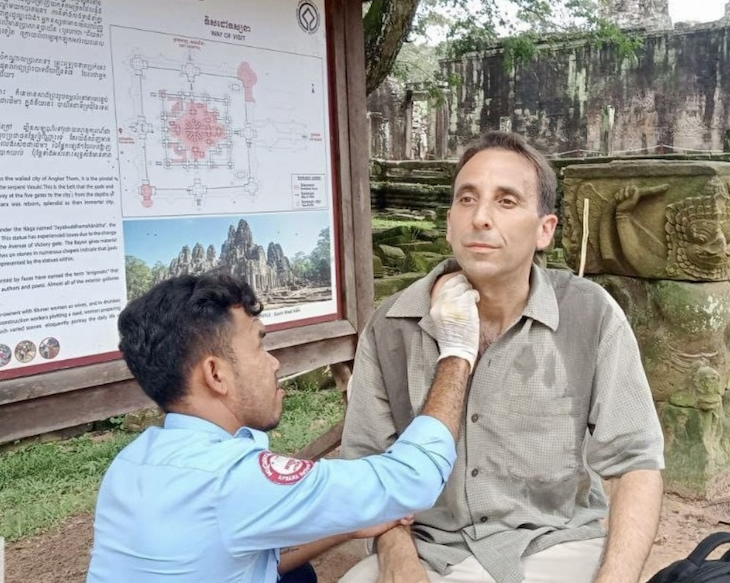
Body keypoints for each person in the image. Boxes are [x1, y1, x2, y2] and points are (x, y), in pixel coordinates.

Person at [340, 131, 665, 583]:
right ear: (449, 222)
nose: (482, 218)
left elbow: (636, 464)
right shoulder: (392, 327)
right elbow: (366, 469)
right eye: (467, 199)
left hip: (556, 545)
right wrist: (397, 556)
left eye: (506, 201)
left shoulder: (590, 316)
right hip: (432, 551)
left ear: (544, 229)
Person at [86, 271, 482, 583]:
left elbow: (241, 562)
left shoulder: (131, 463)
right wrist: (457, 351)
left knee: (296, 575)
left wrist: (349, 527)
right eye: (259, 346)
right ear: (216, 374)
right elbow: (411, 480)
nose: (273, 363)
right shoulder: (231, 479)